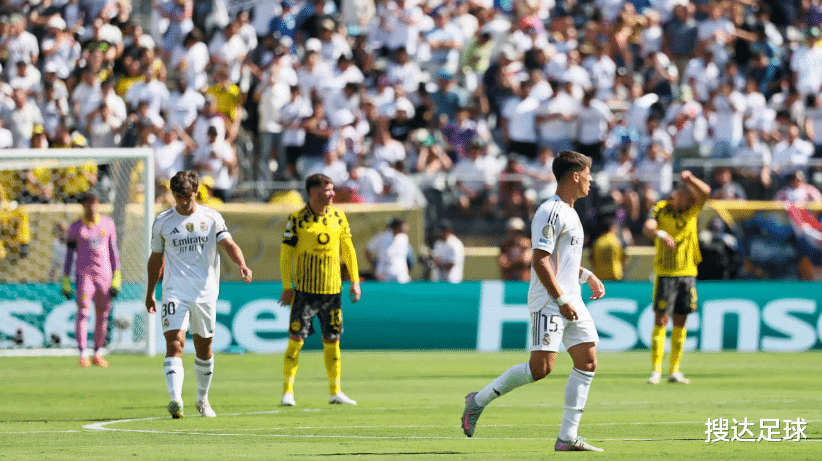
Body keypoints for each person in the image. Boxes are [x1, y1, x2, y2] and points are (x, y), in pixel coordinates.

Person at [461, 151, 606, 452]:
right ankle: (478, 400)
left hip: (571, 298)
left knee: (588, 361)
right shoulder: (550, 211)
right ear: (575, 176)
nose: (591, 180)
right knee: (540, 369)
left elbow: (562, 261)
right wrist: (561, 299)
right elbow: (540, 261)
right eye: (588, 174)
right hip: (550, 301)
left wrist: (587, 275)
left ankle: (567, 437)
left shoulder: (571, 212)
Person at [145, 171, 253, 419]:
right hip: (174, 292)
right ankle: (176, 400)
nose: (183, 202)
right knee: (175, 344)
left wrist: (242, 264)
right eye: (178, 197)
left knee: (204, 347)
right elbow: (156, 259)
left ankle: (202, 399)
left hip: (205, 293)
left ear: (196, 192)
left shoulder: (211, 217)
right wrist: (150, 292)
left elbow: (228, 244)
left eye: (187, 196)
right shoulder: (162, 222)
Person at [279, 173, 361, 407]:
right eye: (328, 190)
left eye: (332, 189)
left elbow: (348, 250)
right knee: (296, 340)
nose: (333, 194)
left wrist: (355, 281)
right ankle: (288, 391)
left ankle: (335, 392)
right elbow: (286, 254)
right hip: (305, 291)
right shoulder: (297, 219)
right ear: (314, 192)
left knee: (332, 341)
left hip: (332, 291)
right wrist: (287, 286)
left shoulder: (339, 216)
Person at [642, 170, 711, 385]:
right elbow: (647, 227)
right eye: (685, 198)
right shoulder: (661, 208)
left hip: (687, 273)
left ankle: (674, 370)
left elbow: (706, 192)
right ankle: (656, 370)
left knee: (681, 321)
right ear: (676, 196)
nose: (688, 202)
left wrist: (691, 179)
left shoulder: (692, 210)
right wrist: (661, 234)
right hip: (666, 273)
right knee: (661, 320)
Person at [62, 191, 121, 367]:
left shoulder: (107, 224)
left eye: (94, 203)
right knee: (83, 312)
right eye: (88, 203)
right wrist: (66, 278)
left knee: (103, 314)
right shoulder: (75, 228)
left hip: (105, 276)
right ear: (83, 205)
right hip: (84, 275)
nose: (92, 207)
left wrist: (117, 276)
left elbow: (113, 251)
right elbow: (69, 255)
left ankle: (98, 352)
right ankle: (82, 353)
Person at [366, 217, 412, 283]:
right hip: (385, 273)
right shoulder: (381, 237)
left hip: (401, 274)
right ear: (395, 227)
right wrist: (374, 268)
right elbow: (368, 251)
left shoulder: (404, 238)